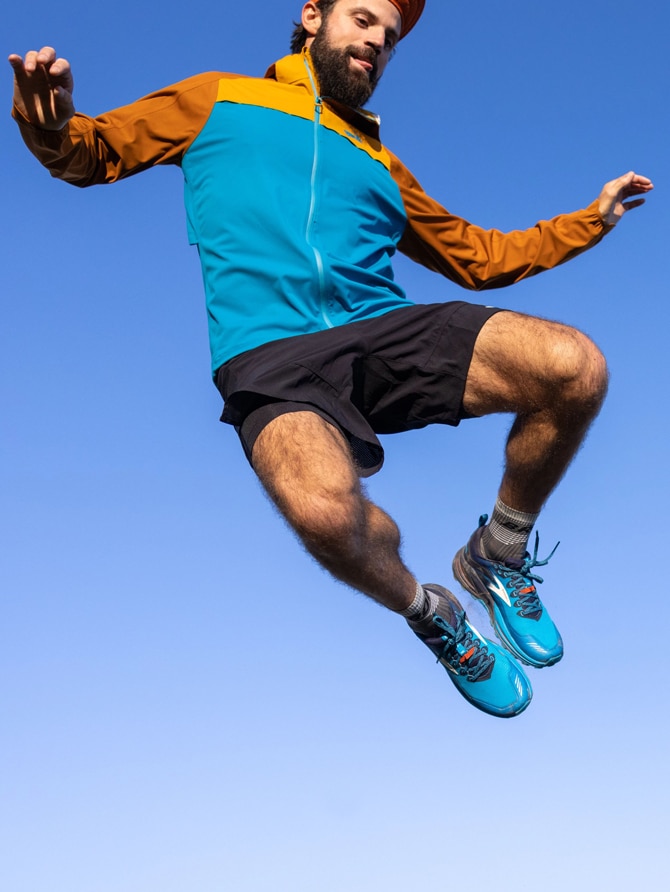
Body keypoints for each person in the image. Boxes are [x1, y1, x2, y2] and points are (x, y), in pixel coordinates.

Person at [9, 0, 653, 719]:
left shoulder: (380, 162)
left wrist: (590, 222)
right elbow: (88, 152)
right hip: (268, 354)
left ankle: (497, 552)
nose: (377, 41)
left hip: (379, 329)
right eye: (364, 19)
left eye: (390, 37)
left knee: (573, 367)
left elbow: (479, 256)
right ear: (314, 16)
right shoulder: (218, 99)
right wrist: (46, 122)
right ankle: (431, 613)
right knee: (325, 515)